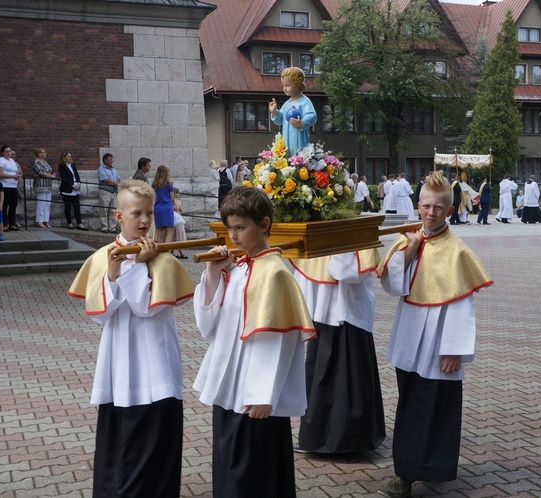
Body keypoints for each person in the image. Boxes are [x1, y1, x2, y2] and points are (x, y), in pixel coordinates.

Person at [68, 179, 195, 497]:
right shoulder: (102, 258)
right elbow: (99, 314)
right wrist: (112, 276)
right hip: (119, 365)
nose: (145, 220)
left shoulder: (163, 259)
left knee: (154, 446)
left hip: (155, 365)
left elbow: (147, 309)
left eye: (149, 213)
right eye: (137, 213)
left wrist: (138, 267)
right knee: (119, 445)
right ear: (118, 216)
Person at [376, 170, 493, 498]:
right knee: (410, 403)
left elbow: (460, 306)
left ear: (450, 210)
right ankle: (409, 468)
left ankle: (417, 472)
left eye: (438, 208)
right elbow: (390, 285)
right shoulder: (407, 238)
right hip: (410, 335)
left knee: (434, 407)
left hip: (440, 342)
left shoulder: (456, 251)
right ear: (418, 204)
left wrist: (454, 349)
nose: (430, 213)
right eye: (426, 206)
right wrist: (409, 251)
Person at [193, 186, 315, 498]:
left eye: (240, 228)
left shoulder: (274, 273)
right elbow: (209, 327)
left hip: (255, 397)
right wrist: (211, 274)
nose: (233, 236)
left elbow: (280, 339)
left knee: (253, 472)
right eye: (229, 228)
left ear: (263, 225)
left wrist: (264, 394)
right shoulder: (237, 268)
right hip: (230, 387)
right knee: (229, 464)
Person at [290, 249, 386, 454]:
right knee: (318, 373)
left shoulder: (355, 235)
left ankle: (352, 441)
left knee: (351, 378)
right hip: (323, 312)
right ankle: (315, 438)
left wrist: (337, 244)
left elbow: (348, 273)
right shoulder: (320, 234)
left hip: (349, 312)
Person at [269, 66, 318, 155]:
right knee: (287, 154)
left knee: (298, 153)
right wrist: (274, 112)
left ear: (298, 84)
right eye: (284, 85)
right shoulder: (287, 104)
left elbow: (312, 115)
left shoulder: (304, 101)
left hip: (299, 138)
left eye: (287, 85)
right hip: (287, 138)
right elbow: (280, 120)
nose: (285, 88)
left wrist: (301, 123)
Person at [58, 152, 87, 230]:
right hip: (67, 189)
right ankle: (69, 223)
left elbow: (76, 175)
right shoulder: (62, 166)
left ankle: (79, 223)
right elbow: (64, 178)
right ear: (64, 157)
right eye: (68, 156)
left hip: (76, 189)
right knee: (68, 207)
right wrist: (72, 185)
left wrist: (78, 183)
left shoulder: (73, 165)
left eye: (70, 156)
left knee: (76, 207)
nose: (70, 158)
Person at [0, 145, 22, 230]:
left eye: (9, 151)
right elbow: (0, 174)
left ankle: (12, 223)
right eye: (6, 151)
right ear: (2, 152)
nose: (8, 153)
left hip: (13, 186)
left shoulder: (12, 161)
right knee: (4, 205)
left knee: (13, 205)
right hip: (5, 186)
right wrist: (12, 177)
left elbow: (16, 172)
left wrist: (17, 176)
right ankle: (4, 224)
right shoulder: (0, 160)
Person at [31, 148, 56, 229]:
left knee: (47, 203)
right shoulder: (35, 162)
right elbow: (41, 172)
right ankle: (39, 221)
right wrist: (51, 176)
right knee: (41, 203)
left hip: (48, 184)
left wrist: (53, 175)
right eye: (43, 152)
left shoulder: (45, 162)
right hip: (40, 185)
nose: (45, 153)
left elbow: (50, 170)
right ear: (39, 154)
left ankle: (46, 220)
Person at [98, 153, 121, 233]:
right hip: (105, 191)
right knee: (104, 209)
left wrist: (117, 182)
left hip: (113, 191)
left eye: (112, 159)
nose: (112, 161)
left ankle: (112, 227)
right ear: (105, 160)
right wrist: (114, 183)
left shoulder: (113, 169)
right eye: (110, 159)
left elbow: (118, 177)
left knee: (112, 210)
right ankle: (104, 227)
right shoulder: (101, 169)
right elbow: (105, 179)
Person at [152, 164, 175, 244]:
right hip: (167, 207)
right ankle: (166, 251)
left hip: (157, 208)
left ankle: (160, 251)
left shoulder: (154, 184)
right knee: (169, 231)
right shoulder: (169, 183)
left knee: (159, 233)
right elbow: (172, 198)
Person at [172, 187, 187, 259]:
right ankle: (180, 253)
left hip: (179, 219)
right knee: (174, 237)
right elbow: (175, 209)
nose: (178, 194)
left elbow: (180, 209)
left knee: (177, 237)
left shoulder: (178, 201)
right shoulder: (172, 201)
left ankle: (174, 252)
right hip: (174, 220)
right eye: (176, 193)